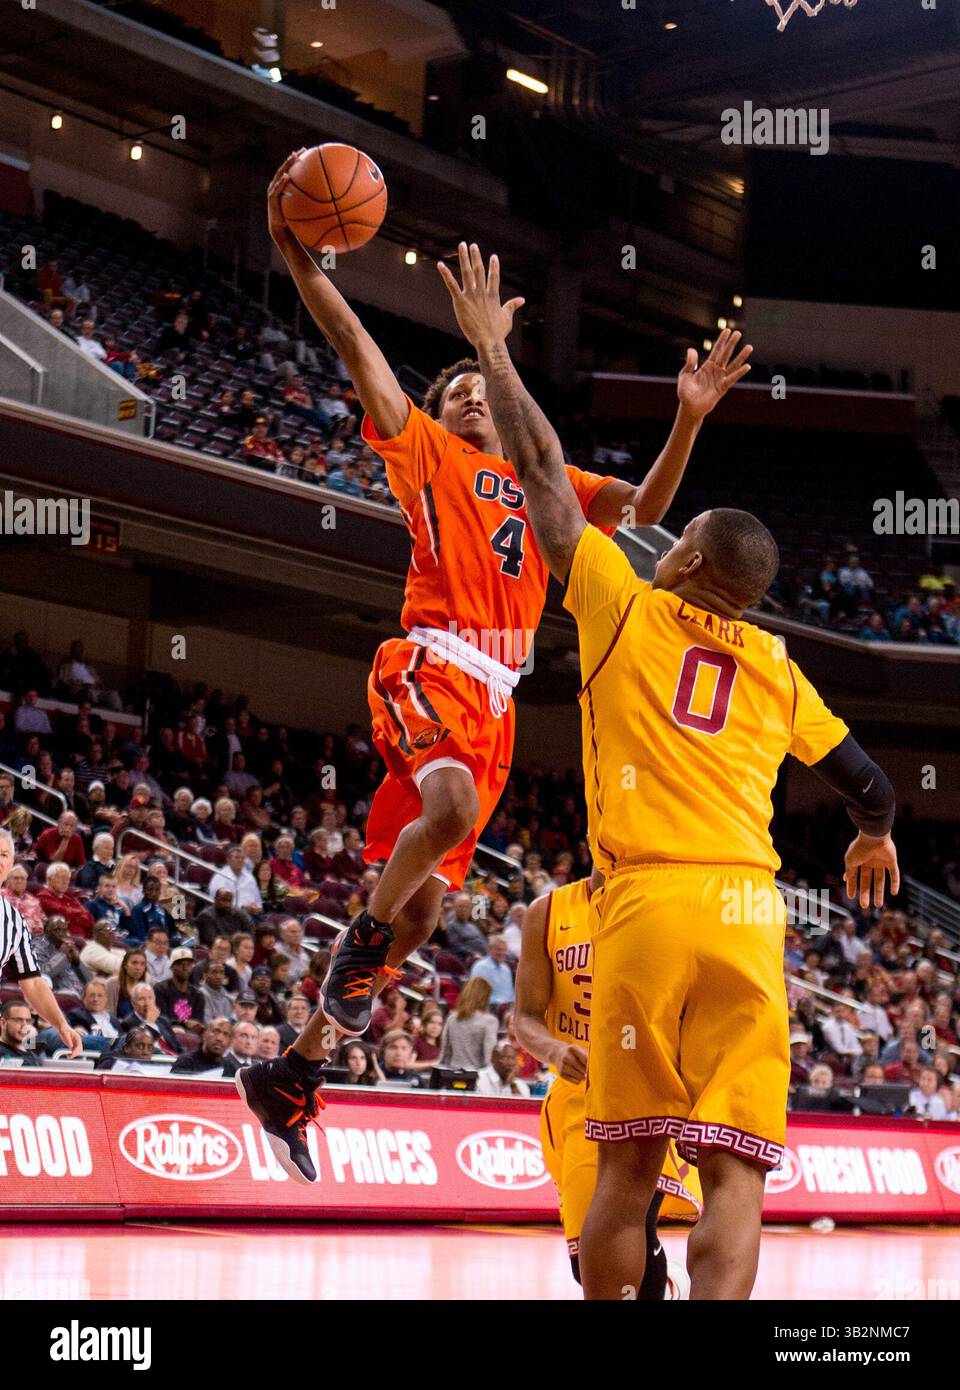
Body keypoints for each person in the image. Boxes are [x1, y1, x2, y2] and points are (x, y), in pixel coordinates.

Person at [238, 156, 735, 1183]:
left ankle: (293, 1070)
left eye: (482, 387)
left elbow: (640, 513)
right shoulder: (421, 448)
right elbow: (353, 340)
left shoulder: (547, 482)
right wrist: (297, 252)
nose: (472, 396)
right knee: (451, 818)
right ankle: (354, 964)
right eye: (460, 387)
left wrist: (688, 413)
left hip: (497, 703)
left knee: (420, 912)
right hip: (427, 665)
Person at [442, 244, 899, 1300]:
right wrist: (875, 833)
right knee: (736, 1177)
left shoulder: (627, 607)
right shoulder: (781, 666)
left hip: (643, 903)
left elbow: (546, 475)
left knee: (630, 1166)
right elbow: (866, 781)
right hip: (750, 907)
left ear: (687, 562)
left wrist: (493, 355)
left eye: (676, 535)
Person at [515, 869, 700, 1296]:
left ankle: (653, 1286)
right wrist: (556, 1050)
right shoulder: (547, 912)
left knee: (638, 1223)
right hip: (580, 1096)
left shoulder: (668, 904)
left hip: (650, 1087)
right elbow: (525, 1018)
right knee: (589, 1261)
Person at [0, 830, 83, 1057]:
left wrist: (61, 1025)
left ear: (10, 864)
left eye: (4, 855)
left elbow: (33, 983)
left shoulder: (14, 920)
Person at [437, 976, 497, 1072]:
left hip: (453, 1074)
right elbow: (488, 1057)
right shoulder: (489, 1021)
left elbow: (445, 1054)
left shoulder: (451, 1019)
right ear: (485, 997)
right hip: (477, 1077)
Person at [155, 948, 206, 1035]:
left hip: (191, 1037)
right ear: (172, 967)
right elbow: (161, 1020)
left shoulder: (198, 994)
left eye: (188, 964)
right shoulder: (160, 989)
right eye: (180, 964)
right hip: (167, 1035)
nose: (185, 968)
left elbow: (198, 1022)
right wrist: (185, 1023)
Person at [170, 1019, 238, 1076]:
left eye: (226, 1034)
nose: (220, 1038)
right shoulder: (185, 1063)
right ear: (204, 1034)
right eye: (215, 1032)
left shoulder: (230, 1068)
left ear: (230, 1042)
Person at [468, 932, 515, 1007]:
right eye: (499, 949)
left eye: (504, 950)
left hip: (507, 1008)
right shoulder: (480, 967)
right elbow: (477, 996)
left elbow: (511, 995)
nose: (502, 953)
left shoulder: (506, 969)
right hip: (489, 1008)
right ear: (489, 949)